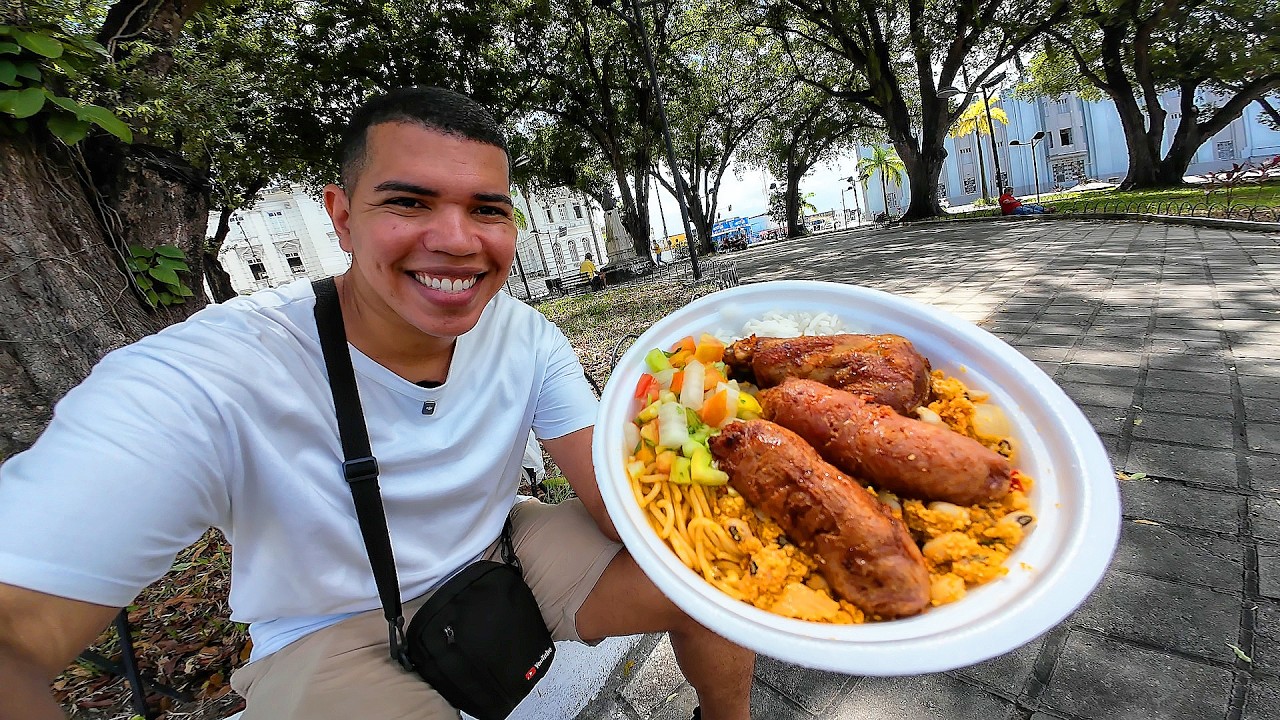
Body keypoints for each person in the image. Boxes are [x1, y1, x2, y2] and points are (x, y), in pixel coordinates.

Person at [0, 87, 754, 720]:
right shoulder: (214, 373)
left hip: (503, 552)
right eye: (409, 201)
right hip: (327, 627)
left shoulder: (524, 334)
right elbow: (16, 628)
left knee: (719, 581)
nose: (458, 240)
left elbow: (611, 494)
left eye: (487, 209)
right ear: (340, 214)